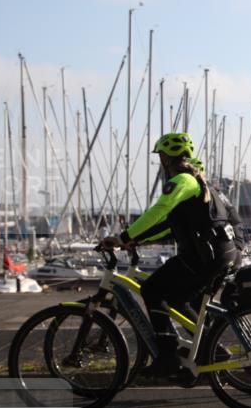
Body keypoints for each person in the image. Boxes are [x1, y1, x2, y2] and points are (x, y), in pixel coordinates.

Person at [101, 132, 237, 379]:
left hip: (204, 256)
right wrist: (134, 240)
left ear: (167, 158)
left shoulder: (183, 180)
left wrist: (123, 236)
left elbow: (160, 210)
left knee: (152, 290)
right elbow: (167, 225)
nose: (160, 161)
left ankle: (168, 356)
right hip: (215, 253)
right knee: (176, 299)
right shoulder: (193, 182)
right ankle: (211, 348)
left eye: (161, 156)